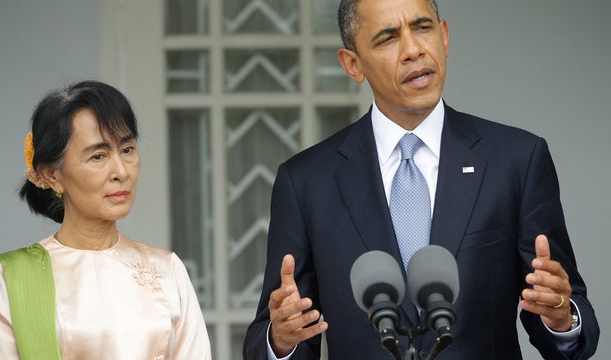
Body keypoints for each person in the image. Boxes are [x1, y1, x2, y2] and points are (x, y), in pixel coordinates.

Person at [243, 0, 600, 359]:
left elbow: (570, 327)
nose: (414, 50)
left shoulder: (516, 160)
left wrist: (561, 318)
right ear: (353, 64)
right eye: (387, 38)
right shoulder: (306, 182)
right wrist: (282, 340)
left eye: (423, 28)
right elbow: (271, 336)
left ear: (444, 36)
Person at [0, 80, 212, 359]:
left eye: (127, 150)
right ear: (52, 175)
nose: (120, 171)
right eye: (98, 156)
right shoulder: (15, 276)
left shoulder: (167, 271)